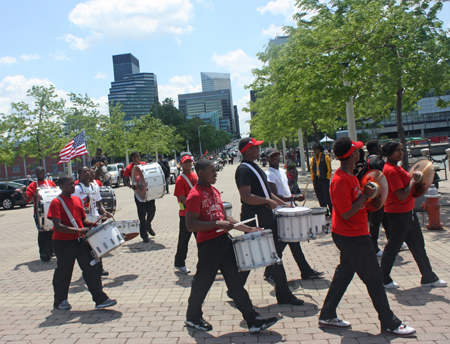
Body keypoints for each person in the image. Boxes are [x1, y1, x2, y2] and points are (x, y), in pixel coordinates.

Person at [318, 137, 416, 337]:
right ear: (353, 154)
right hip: (352, 236)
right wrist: (365, 195)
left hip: (353, 234)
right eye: (357, 150)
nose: (359, 152)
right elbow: (346, 212)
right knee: (374, 278)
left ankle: (327, 314)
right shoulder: (339, 180)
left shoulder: (350, 175)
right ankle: (389, 322)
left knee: (344, 273)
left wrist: (368, 197)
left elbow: (359, 203)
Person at [184, 159, 278, 333]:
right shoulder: (194, 195)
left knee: (235, 283)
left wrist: (247, 228)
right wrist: (216, 224)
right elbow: (191, 225)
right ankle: (192, 317)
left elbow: (225, 217)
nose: (216, 173)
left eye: (215, 170)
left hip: (224, 242)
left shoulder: (213, 191)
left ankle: (252, 319)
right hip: (208, 246)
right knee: (202, 283)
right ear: (201, 173)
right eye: (212, 171)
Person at [235, 137, 304, 306]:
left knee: (270, 255)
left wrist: (285, 204)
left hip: (265, 217)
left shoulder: (255, 167)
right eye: (256, 148)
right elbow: (246, 197)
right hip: (256, 219)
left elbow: (267, 193)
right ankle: (283, 294)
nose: (259, 150)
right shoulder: (243, 170)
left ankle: (281, 293)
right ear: (248, 151)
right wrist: (267, 202)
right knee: (263, 254)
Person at [380, 141, 447, 289]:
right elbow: (402, 195)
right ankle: (383, 278)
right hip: (398, 214)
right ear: (389, 153)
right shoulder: (390, 170)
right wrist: (413, 180)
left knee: (417, 246)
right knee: (393, 247)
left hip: (407, 212)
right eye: (397, 150)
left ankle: (428, 277)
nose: (401, 152)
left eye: (401, 149)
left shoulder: (395, 167)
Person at [48, 174, 117, 310]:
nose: (73, 186)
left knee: (92, 267)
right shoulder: (56, 202)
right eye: (69, 184)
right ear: (61, 186)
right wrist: (79, 231)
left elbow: (81, 220)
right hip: (63, 243)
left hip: (79, 241)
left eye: (73, 183)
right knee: (64, 272)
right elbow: (58, 226)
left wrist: (92, 224)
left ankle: (100, 299)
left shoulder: (76, 200)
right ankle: (60, 301)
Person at [264, 149, 324, 281]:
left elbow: (285, 190)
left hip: (287, 211)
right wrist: (294, 199)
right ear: (267, 159)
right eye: (272, 156)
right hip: (279, 212)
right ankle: (303, 271)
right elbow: (274, 196)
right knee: (288, 241)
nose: (275, 158)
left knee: (290, 241)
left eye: (276, 155)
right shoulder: (268, 174)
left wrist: (293, 200)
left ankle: (271, 271)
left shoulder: (281, 171)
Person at [356, 139, 391, 257]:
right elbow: (384, 177)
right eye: (379, 146)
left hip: (374, 194)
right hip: (378, 195)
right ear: (374, 148)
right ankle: (374, 247)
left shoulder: (368, 160)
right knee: (375, 222)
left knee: (385, 219)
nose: (381, 148)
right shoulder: (377, 160)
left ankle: (393, 241)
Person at [18, 166, 57, 262]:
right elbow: (27, 198)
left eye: (40, 173)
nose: (38, 175)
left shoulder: (51, 183)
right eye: (37, 173)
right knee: (43, 232)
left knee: (52, 231)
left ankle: (52, 251)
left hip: (51, 212)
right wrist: (23, 192)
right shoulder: (33, 185)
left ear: (44, 172)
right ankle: (44, 253)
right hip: (39, 213)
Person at [123, 152, 156, 242]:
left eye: (139, 156)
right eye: (137, 157)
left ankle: (148, 224)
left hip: (148, 192)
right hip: (139, 194)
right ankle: (144, 236)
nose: (139, 158)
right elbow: (125, 181)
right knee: (142, 215)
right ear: (133, 158)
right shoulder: (129, 168)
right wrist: (131, 186)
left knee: (152, 210)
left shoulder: (144, 165)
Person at [173, 155, 198, 274]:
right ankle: (180, 264)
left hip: (197, 213)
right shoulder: (180, 179)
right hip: (186, 214)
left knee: (202, 239)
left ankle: (208, 262)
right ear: (181, 165)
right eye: (185, 162)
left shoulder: (194, 175)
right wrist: (195, 202)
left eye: (189, 162)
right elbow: (182, 198)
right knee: (183, 240)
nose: (188, 164)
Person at [310, 144, 333, 217]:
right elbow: (311, 170)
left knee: (327, 196)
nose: (314, 151)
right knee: (320, 196)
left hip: (324, 179)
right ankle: (325, 212)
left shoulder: (325, 157)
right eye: (313, 150)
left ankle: (332, 212)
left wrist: (327, 177)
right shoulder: (313, 159)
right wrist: (313, 179)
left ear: (319, 150)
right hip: (317, 180)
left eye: (315, 149)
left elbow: (329, 168)